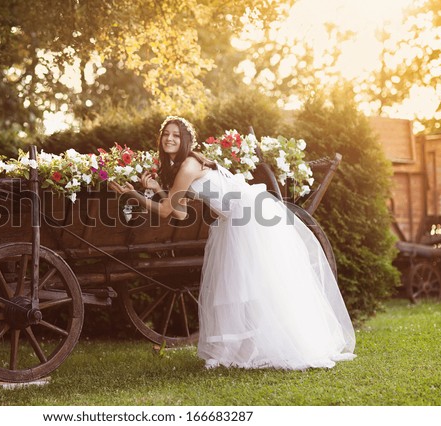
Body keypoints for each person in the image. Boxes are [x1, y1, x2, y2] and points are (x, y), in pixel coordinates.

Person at [109, 116, 356, 370]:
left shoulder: (188, 167)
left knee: (262, 284)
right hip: (236, 218)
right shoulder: (186, 165)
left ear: (186, 141)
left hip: (247, 218)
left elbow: (164, 212)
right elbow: (179, 212)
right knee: (243, 286)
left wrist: (133, 195)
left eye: (176, 135)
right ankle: (253, 346)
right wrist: (157, 189)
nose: (169, 139)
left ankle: (287, 344)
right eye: (166, 134)